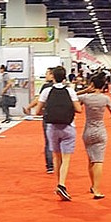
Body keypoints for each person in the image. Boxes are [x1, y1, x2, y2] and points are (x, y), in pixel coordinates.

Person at [35, 66, 82, 201]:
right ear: (65, 76)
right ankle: (62, 184)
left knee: (56, 157)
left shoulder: (46, 91)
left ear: (53, 77)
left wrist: (49, 112)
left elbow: (38, 111)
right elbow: (78, 109)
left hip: (52, 127)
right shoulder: (70, 91)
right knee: (66, 158)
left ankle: (59, 184)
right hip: (68, 126)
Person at [78, 73, 111, 199]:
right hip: (100, 130)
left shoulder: (85, 98)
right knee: (98, 160)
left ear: (92, 84)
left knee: (91, 160)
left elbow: (71, 96)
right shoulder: (106, 99)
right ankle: (96, 188)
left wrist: (85, 90)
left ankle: (92, 185)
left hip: (87, 130)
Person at [23, 67, 55, 173]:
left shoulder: (46, 87)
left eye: (47, 73)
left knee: (48, 142)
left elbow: (39, 99)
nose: (45, 75)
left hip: (48, 115)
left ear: (52, 75)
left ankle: (50, 166)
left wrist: (29, 107)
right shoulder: (65, 87)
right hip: (62, 118)